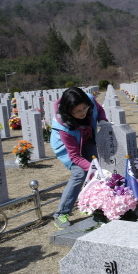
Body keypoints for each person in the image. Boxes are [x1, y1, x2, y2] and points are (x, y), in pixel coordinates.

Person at [50, 87, 110, 229]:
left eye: (84, 109)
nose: (83, 113)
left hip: (87, 140)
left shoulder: (89, 100)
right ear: (68, 111)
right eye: (78, 111)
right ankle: (61, 213)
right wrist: (93, 169)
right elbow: (75, 156)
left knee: (101, 167)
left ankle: (98, 205)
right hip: (68, 148)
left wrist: (102, 119)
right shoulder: (63, 126)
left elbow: (99, 110)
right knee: (80, 173)